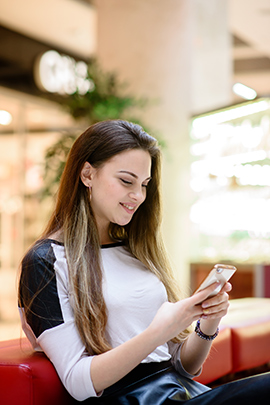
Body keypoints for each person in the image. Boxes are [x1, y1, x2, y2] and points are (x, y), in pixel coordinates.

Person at [18, 120, 270, 404]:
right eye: (126, 181)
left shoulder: (135, 251)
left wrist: (208, 322)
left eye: (144, 184)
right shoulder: (44, 262)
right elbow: (78, 381)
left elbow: (184, 366)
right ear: (87, 174)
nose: (138, 196)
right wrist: (158, 332)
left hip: (178, 391)